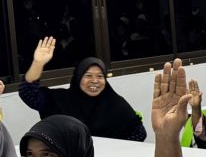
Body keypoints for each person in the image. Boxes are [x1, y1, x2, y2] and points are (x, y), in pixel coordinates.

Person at [18, 37, 146, 141]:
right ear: (78, 78)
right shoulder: (58, 101)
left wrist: (118, 150)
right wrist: (38, 63)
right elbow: (28, 93)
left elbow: (139, 132)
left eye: (100, 76)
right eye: (88, 75)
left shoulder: (116, 105)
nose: (94, 81)